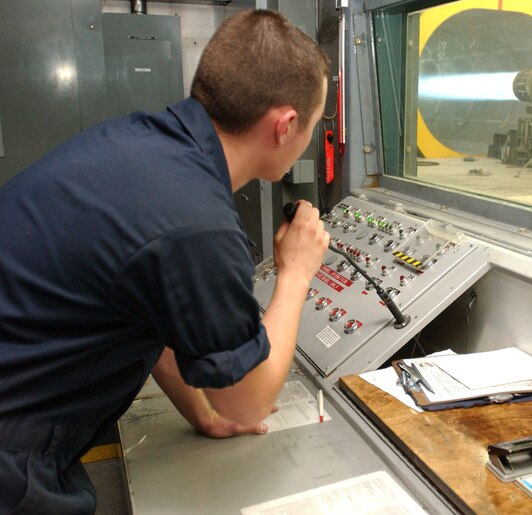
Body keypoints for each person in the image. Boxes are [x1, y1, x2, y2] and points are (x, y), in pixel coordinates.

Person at [0, 10, 330, 514]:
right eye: (316, 122)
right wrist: (296, 271)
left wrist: (203, 414)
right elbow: (247, 400)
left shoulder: (146, 143)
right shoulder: (196, 221)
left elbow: (150, 316)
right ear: (285, 126)